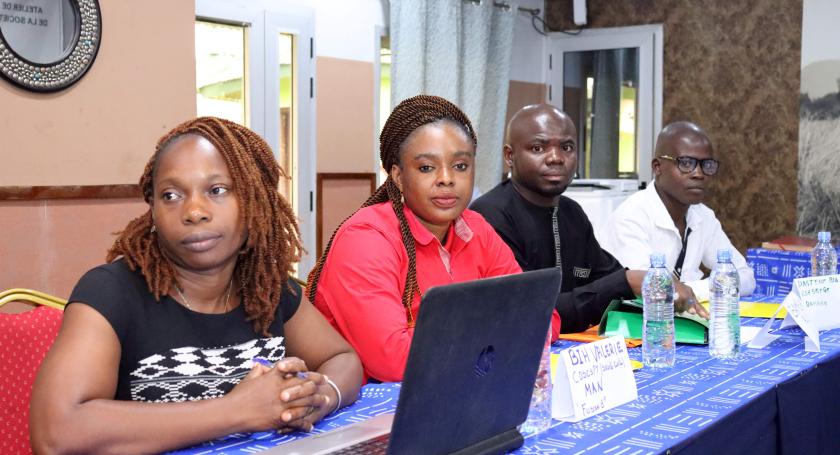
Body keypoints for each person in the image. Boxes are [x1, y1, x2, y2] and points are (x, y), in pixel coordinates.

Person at [30, 117, 363, 454]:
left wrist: (323, 396)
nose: (193, 211)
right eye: (171, 195)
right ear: (153, 212)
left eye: (217, 190)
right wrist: (236, 411)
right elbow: (56, 434)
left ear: (254, 202)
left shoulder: (267, 289)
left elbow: (342, 358)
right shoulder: (111, 293)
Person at [307, 95, 560, 382]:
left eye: (460, 166)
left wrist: (450, 333)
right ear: (398, 176)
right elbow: (395, 360)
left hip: (460, 387)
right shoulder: (365, 239)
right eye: (426, 167)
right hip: (371, 411)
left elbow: (544, 320)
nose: (446, 179)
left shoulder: (477, 229)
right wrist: (496, 327)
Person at [471, 104, 705, 334]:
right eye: (538, 148)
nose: (556, 158)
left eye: (567, 147)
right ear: (509, 156)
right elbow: (532, 313)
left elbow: (609, 277)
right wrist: (628, 282)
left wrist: (647, 284)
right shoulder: (489, 217)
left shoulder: (571, 213)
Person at [600, 121, 756, 301]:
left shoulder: (703, 215)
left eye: (706, 165)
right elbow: (652, 292)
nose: (699, 174)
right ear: (657, 167)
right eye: (686, 163)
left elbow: (745, 277)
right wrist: (708, 288)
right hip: (639, 324)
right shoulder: (631, 217)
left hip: (686, 321)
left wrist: (689, 291)